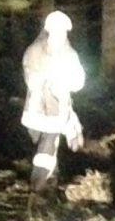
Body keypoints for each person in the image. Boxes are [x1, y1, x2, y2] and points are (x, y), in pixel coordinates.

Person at [20, 10, 86, 196]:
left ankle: (40, 183)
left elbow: (79, 81)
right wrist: (46, 81)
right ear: (49, 30)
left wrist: (66, 84)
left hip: (58, 109)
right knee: (44, 142)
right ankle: (48, 179)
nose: (60, 34)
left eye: (63, 31)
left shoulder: (70, 54)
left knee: (49, 142)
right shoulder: (35, 51)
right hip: (37, 107)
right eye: (57, 30)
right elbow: (31, 77)